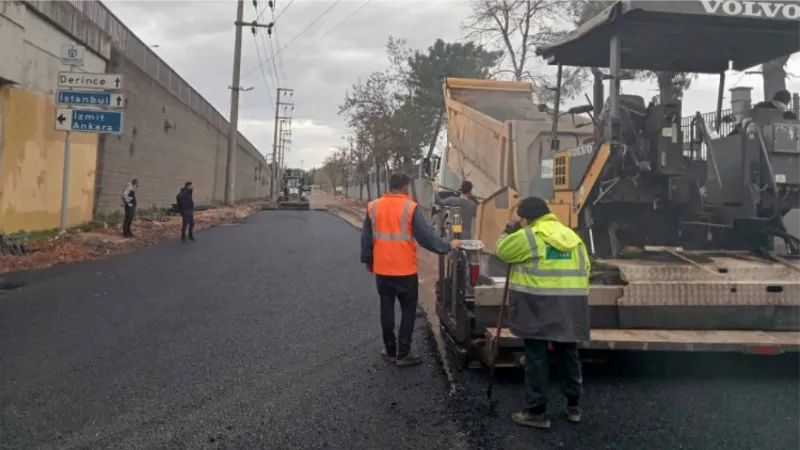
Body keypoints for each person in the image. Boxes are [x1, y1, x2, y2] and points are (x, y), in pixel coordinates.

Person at [495, 196, 591, 429]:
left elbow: (501, 250)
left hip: (537, 306)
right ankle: (573, 407)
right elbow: (586, 267)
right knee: (568, 354)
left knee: (537, 358)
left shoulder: (529, 236)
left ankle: (536, 412)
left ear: (525, 217)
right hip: (571, 305)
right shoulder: (571, 236)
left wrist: (511, 225)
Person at [361, 173, 462, 367]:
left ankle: (390, 351)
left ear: (389, 186)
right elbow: (427, 237)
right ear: (406, 187)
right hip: (404, 270)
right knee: (408, 310)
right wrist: (447, 246)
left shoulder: (373, 206)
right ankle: (403, 353)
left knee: (386, 307)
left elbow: (366, 238)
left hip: (382, 269)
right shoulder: (410, 208)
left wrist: (368, 260)